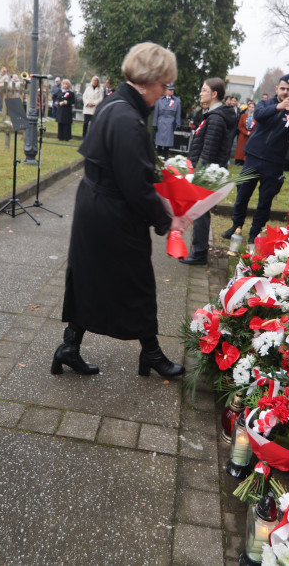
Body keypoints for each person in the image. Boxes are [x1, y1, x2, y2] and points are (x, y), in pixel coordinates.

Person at [54, 42, 184, 379]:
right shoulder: (127, 116)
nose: (164, 92)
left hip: (96, 206)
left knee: (89, 275)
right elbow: (136, 187)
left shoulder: (117, 103)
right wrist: (166, 219)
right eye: (163, 84)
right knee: (137, 280)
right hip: (113, 213)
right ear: (148, 79)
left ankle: (70, 346)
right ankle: (151, 354)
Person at [221, 73, 289, 242]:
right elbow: (259, 115)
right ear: (277, 89)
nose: (285, 92)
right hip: (254, 156)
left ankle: (254, 233)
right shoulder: (266, 104)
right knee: (243, 193)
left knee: (265, 200)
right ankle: (236, 225)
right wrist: (279, 107)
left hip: (274, 162)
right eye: (282, 88)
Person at [183, 78, 237, 265]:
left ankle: (199, 254)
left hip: (206, 172)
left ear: (214, 94)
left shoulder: (215, 119)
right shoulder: (211, 115)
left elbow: (209, 150)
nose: (200, 93)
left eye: (204, 90)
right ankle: (198, 250)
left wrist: (199, 174)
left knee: (200, 212)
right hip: (206, 171)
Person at [153, 82, 181, 159]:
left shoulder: (177, 101)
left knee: (167, 144)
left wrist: (178, 124)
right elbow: (156, 112)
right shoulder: (159, 100)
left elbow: (178, 113)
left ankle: (165, 158)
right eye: (170, 89)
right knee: (159, 143)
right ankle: (158, 158)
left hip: (170, 123)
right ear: (165, 91)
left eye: (172, 90)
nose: (171, 91)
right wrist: (154, 123)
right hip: (160, 122)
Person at [234, 100, 254, 166]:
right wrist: (246, 132)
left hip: (251, 136)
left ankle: (246, 161)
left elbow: (256, 127)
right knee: (240, 149)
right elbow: (240, 126)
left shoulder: (256, 118)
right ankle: (238, 161)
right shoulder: (243, 116)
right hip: (243, 135)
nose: (251, 108)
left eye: (252, 107)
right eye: (250, 107)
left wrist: (250, 133)